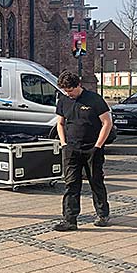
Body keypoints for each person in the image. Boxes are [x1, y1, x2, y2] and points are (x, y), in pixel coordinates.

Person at [53, 71, 113, 231]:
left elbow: (107, 122)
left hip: (93, 148)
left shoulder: (94, 99)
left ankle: (102, 214)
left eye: (70, 90)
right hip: (71, 149)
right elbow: (60, 123)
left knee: (96, 182)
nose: (68, 94)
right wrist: (64, 144)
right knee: (71, 184)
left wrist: (98, 146)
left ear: (78, 85)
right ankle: (70, 220)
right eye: (66, 91)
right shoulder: (63, 100)